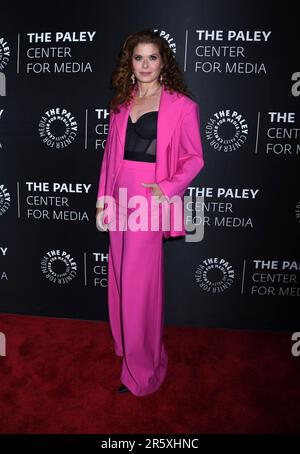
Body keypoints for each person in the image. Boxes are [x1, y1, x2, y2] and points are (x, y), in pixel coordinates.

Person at [95, 29, 204, 397]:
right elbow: (110, 157)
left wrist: (168, 188)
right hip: (120, 194)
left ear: (163, 63)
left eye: (152, 58)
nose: (144, 65)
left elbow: (194, 157)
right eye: (138, 58)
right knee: (119, 277)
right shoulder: (122, 102)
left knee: (139, 287)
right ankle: (127, 347)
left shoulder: (182, 106)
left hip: (149, 200)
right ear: (130, 62)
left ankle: (142, 371)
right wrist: (102, 201)